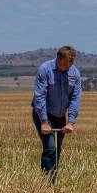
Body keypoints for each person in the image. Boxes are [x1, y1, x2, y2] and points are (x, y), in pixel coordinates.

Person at [31, 46, 81, 180]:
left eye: (70, 64)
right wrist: (44, 122)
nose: (67, 67)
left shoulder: (75, 73)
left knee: (57, 150)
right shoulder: (45, 69)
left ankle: (53, 179)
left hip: (60, 115)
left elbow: (75, 98)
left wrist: (70, 122)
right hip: (44, 114)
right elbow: (39, 96)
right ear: (58, 59)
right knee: (50, 148)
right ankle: (47, 183)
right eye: (64, 64)